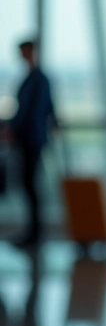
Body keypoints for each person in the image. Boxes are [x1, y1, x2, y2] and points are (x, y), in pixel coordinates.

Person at [4, 40, 58, 249]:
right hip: (31, 138)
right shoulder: (37, 78)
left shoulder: (37, 79)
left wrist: (12, 129)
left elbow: (27, 111)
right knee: (29, 184)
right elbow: (48, 107)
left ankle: (34, 233)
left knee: (30, 184)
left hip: (30, 138)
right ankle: (33, 232)